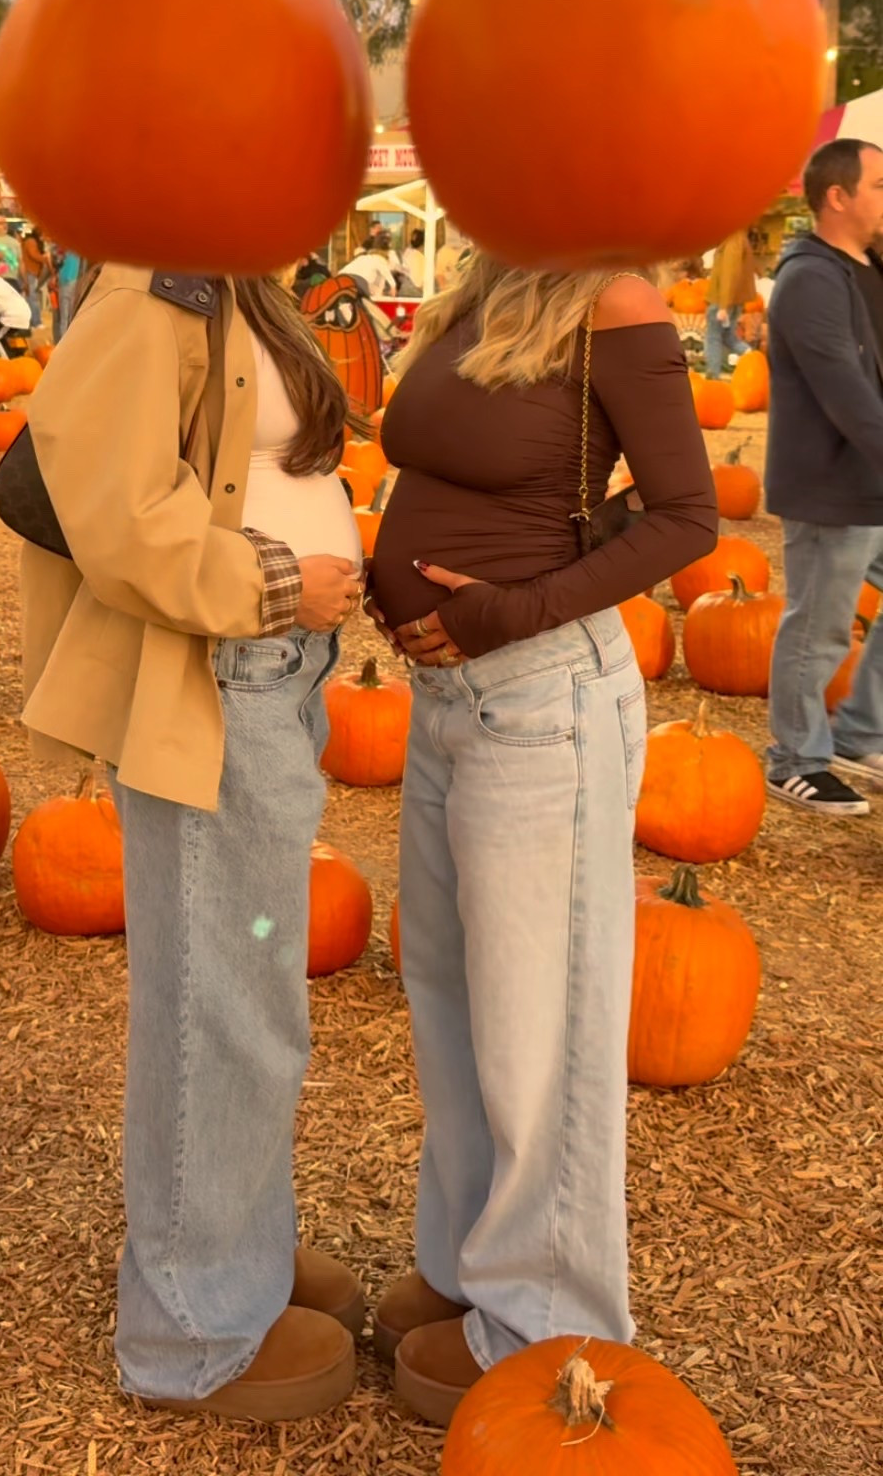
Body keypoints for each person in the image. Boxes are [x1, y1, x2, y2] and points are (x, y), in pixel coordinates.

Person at [364, 260, 717, 1424]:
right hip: (454, 700)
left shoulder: (615, 294)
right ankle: (472, 1266)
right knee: (453, 995)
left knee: (542, 1022)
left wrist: (512, 602)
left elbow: (684, 513)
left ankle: (546, 1319)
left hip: (541, 696)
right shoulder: (485, 278)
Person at [18, 265, 365, 1417]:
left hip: (275, 675)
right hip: (219, 676)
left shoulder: (242, 280)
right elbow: (115, 502)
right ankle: (193, 1327)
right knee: (220, 1001)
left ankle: (239, 1257)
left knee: (250, 992)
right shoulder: (146, 286)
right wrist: (274, 578)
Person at [766, 137, 883, 815]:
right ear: (837, 196)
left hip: (871, 481)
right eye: (878, 185)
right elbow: (847, 395)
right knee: (819, 628)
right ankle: (795, 758)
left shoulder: (867, 265)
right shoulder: (808, 279)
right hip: (831, 486)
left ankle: (859, 731)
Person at [704, 229, 756, 377]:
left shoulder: (733, 239)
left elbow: (729, 274)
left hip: (722, 300)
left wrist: (723, 306)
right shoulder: (740, 238)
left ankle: (713, 377)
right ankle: (753, 358)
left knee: (713, 337)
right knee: (728, 337)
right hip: (732, 300)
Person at [340, 231, 397, 302]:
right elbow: (386, 275)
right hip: (358, 282)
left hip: (341, 278)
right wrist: (393, 286)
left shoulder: (364, 257)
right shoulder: (380, 259)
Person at [21, 227, 52, 328]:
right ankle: (36, 321)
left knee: (31, 297)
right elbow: (33, 255)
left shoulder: (31, 241)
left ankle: (32, 321)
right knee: (33, 298)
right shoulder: (31, 241)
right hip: (30, 272)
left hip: (32, 272)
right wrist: (46, 259)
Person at [53, 245, 83, 340]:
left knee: (64, 317)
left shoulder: (65, 253)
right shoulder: (79, 254)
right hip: (74, 283)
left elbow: (62, 270)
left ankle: (62, 341)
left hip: (65, 284)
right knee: (71, 316)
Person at [402, 229, 426, 294]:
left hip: (406, 287)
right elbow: (418, 283)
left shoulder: (407, 252)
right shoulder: (419, 257)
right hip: (415, 291)